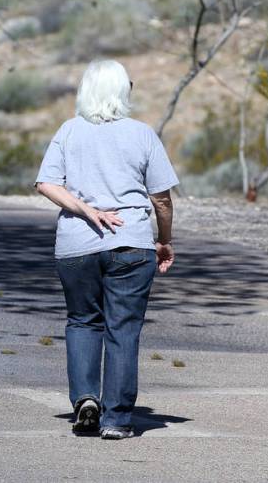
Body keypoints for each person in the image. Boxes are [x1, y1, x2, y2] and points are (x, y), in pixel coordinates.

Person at [35, 59, 179, 440]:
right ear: (122, 92)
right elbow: (162, 199)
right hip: (131, 244)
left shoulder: (68, 132)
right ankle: (116, 419)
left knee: (82, 321)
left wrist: (87, 210)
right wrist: (164, 240)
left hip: (76, 246)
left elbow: (46, 183)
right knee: (123, 329)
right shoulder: (142, 134)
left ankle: (85, 399)